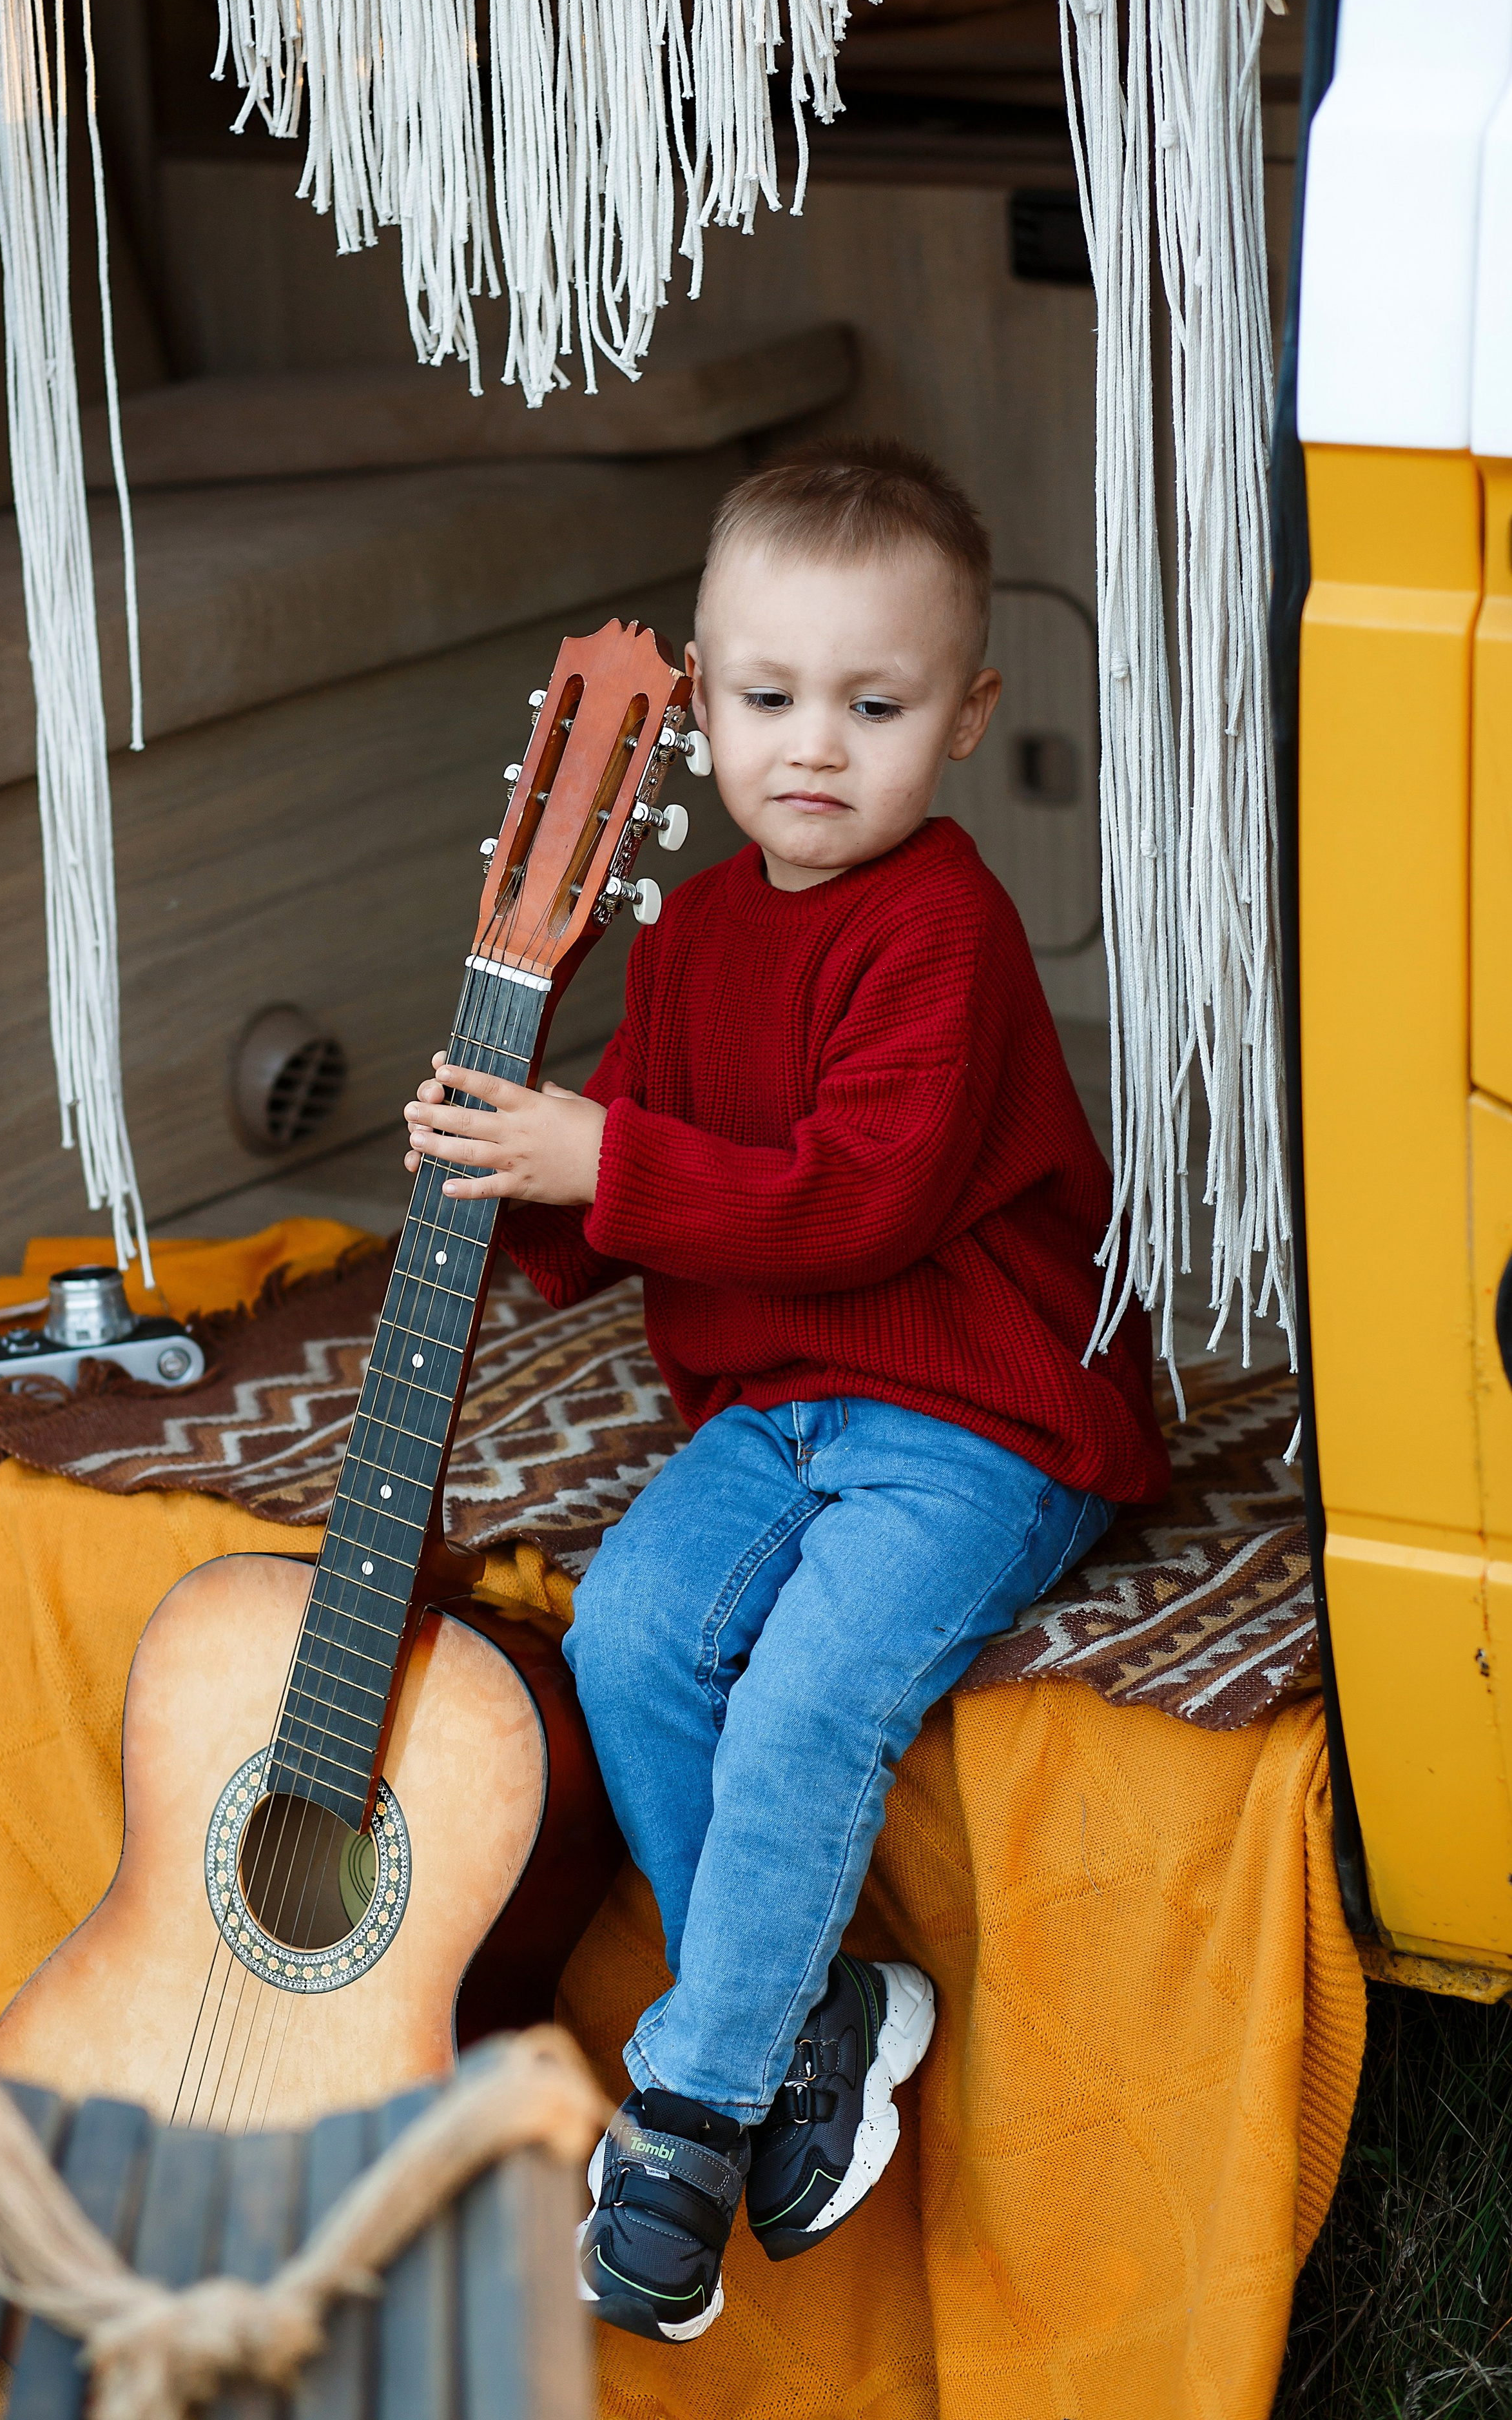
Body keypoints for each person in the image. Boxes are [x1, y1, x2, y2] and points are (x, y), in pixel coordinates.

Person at [403, 439, 1170, 2345]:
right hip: (773, 1404)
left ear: (969, 716)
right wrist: (505, 1187)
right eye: (764, 698)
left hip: (975, 1414)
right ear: (701, 703)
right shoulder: (685, 932)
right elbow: (629, 1213)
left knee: (819, 1686)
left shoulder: (948, 928)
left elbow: (855, 1199)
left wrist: (612, 1163)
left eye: (875, 702)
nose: (811, 746)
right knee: (639, 1634)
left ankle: (690, 2109)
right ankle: (808, 2009)